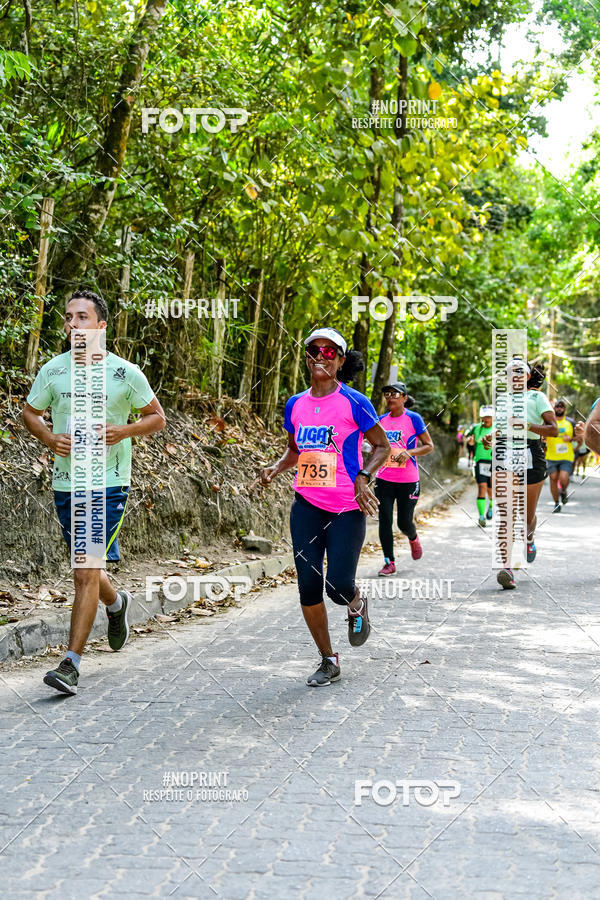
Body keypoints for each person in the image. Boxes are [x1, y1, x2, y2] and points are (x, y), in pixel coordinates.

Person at [23, 289, 166, 695]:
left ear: (101, 326)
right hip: (68, 483)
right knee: (90, 571)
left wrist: (124, 430)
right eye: (68, 318)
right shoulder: (53, 370)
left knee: (84, 571)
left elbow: (158, 418)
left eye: (82, 317)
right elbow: (29, 413)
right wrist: (50, 439)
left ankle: (70, 663)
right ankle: (117, 603)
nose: (73, 325)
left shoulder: (125, 373)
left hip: (109, 483)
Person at [259, 327, 390, 687]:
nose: (321, 356)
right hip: (306, 506)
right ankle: (328, 659)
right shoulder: (295, 404)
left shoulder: (355, 402)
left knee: (338, 585)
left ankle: (356, 602)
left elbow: (382, 446)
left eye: (330, 352)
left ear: (341, 361)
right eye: (314, 350)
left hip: (347, 508)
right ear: (306, 357)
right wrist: (275, 467)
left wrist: (364, 475)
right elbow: (295, 449)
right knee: (308, 585)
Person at [489, 361, 557, 589]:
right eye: (510, 372)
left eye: (520, 371)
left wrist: (527, 425)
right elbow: (503, 427)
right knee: (506, 512)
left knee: (526, 517)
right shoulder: (503, 400)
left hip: (531, 452)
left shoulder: (537, 398)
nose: (514, 375)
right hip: (505, 452)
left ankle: (528, 537)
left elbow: (553, 429)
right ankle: (507, 568)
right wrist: (492, 436)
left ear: (528, 376)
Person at [374, 382, 434, 576]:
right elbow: (375, 445)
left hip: (408, 480)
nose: (390, 397)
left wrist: (410, 452)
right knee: (384, 520)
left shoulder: (413, 418)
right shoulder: (381, 420)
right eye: (387, 394)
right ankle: (388, 562)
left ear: (404, 398)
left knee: (403, 523)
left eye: (394, 393)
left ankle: (413, 537)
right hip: (384, 478)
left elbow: (429, 445)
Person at [545, 399, 577, 512]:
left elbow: (579, 437)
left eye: (561, 407)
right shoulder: (548, 422)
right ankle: (556, 503)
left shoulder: (570, 422)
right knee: (553, 478)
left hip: (566, 456)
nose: (559, 408)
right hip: (551, 456)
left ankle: (563, 491)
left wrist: (571, 439)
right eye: (557, 407)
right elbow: (542, 436)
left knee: (564, 478)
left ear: (564, 409)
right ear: (554, 409)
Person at [465, 406, 494, 528]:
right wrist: (470, 442)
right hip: (480, 461)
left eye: (488, 416)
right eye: (484, 416)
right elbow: (469, 439)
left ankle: (491, 506)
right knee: (482, 487)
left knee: (491, 489)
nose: (486, 419)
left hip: (495, 462)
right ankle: (481, 516)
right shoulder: (476, 428)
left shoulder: (498, 429)